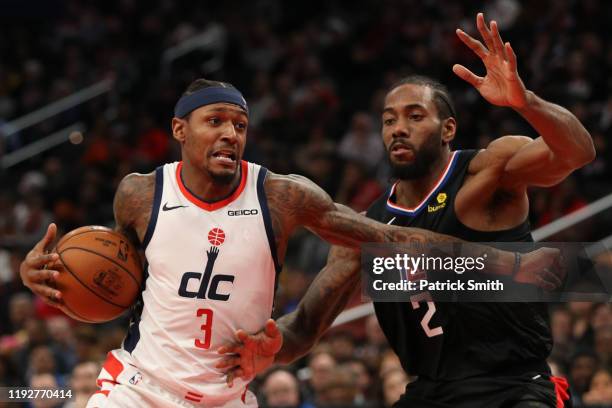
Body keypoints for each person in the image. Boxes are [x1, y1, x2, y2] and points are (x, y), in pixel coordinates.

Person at [18, 77, 554, 407]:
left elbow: (386, 238)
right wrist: (47, 278)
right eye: (215, 122)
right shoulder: (138, 194)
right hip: (137, 388)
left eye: (240, 124)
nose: (230, 133)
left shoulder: (285, 196)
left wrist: (500, 264)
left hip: (229, 396)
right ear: (180, 130)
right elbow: (113, 278)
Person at [217, 13, 595, 408]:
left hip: (513, 388)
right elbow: (306, 326)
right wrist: (269, 347)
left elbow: (578, 152)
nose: (398, 128)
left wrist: (525, 101)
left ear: (447, 129)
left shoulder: (486, 174)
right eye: (389, 120)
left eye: (414, 116)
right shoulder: (366, 229)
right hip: (431, 392)